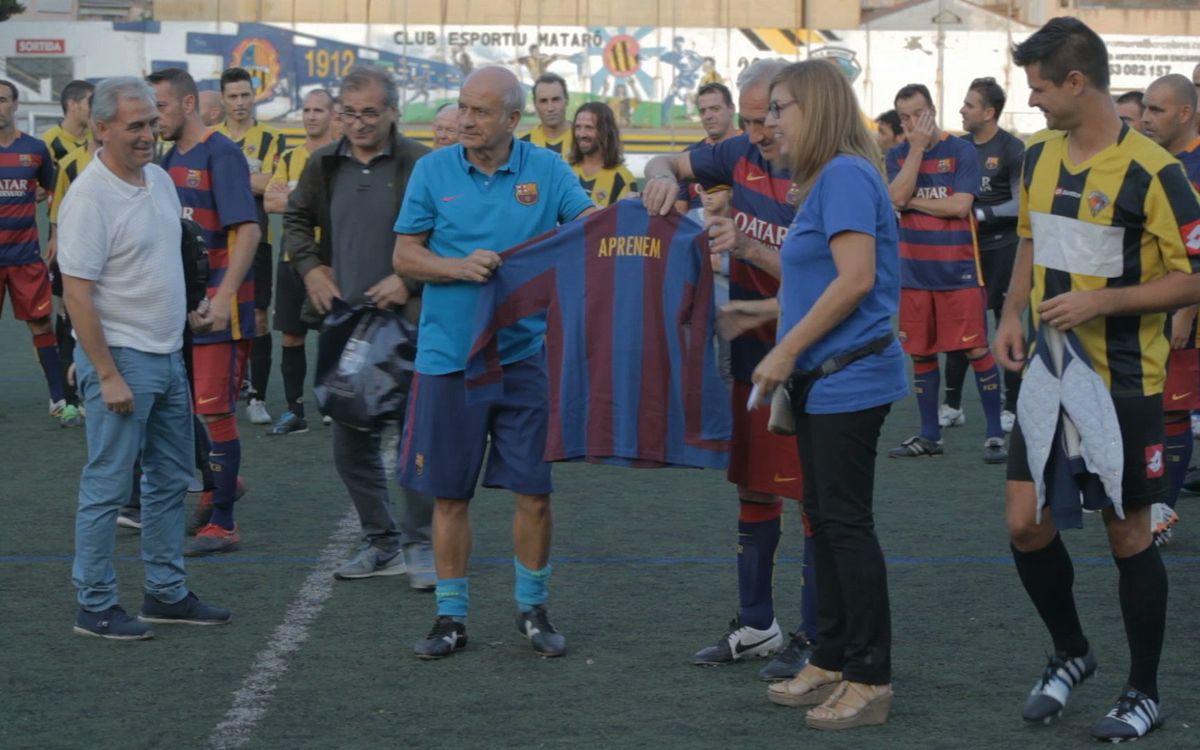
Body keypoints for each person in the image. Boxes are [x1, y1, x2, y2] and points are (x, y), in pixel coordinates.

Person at [996, 18, 1200, 742]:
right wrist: (1011, 311)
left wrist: (1102, 301)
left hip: (1124, 384)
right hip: (1048, 375)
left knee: (1127, 536)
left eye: (1042, 88)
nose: (1036, 101)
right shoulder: (1038, 155)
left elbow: (1192, 279)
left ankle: (1142, 692)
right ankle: (1072, 652)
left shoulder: (1155, 170)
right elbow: (1028, 235)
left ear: (1077, 83)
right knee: (1025, 524)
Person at [393, 66, 595, 659]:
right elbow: (405, 254)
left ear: (513, 120)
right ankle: (450, 617)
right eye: (461, 108)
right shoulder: (433, 169)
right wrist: (456, 267)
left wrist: (646, 204)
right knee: (450, 495)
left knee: (535, 491)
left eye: (479, 112)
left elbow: (588, 229)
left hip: (522, 358)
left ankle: (532, 608)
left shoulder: (547, 170)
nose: (464, 121)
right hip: (446, 360)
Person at [742, 57, 905, 732]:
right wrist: (766, 318)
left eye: (781, 107)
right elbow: (822, 283)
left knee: (842, 524)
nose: (772, 121)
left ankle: (869, 675)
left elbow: (856, 280)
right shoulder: (832, 178)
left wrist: (783, 348)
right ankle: (834, 656)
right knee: (827, 518)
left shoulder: (840, 175)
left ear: (817, 109)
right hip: (827, 377)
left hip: (848, 377)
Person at [641, 59, 818, 682]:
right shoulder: (740, 151)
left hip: (811, 359)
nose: (756, 132)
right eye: (747, 120)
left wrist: (744, 247)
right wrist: (658, 180)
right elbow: (669, 164)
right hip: (750, 352)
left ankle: (818, 637)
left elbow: (834, 283)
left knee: (815, 500)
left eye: (765, 117)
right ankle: (758, 622)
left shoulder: (830, 169)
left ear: (792, 106)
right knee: (752, 485)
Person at [58, 77, 231, 640]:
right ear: (101, 128)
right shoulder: (88, 197)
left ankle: (165, 592)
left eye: (151, 124)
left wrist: (191, 310)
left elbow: (159, 262)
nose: (146, 136)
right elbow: (76, 293)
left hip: (167, 353)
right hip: (123, 362)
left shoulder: (157, 178)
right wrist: (103, 372)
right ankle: (96, 605)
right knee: (108, 486)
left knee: (166, 482)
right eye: (133, 126)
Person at [284, 67, 436, 588]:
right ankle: (382, 542)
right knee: (349, 444)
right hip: (347, 328)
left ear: (394, 110)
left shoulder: (424, 164)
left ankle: (422, 545)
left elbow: (453, 234)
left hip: (412, 327)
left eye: (370, 112)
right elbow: (296, 221)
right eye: (348, 113)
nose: (358, 123)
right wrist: (311, 269)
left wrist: (409, 281)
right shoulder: (322, 163)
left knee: (417, 441)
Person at [149, 67, 261, 556]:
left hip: (220, 309)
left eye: (162, 107)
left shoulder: (222, 153)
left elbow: (249, 231)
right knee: (181, 408)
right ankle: (222, 484)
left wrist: (222, 297)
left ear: (189, 104)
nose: (155, 118)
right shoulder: (168, 157)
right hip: (182, 307)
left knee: (215, 412)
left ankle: (225, 522)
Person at [885, 83, 1005, 463]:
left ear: (932, 111)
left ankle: (995, 434)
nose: (911, 123)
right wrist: (917, 150)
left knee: (975, 348)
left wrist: (911, 201)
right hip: (915, 275)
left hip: (959, 272)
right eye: (904, 117)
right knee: (920, 355)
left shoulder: (961, 151)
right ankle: (929, 436)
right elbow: (894, 198)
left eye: (918, 114)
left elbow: (958, 206)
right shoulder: (899, 155)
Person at [940, 77, 1025, 434]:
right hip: (965, 249)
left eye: (969, 104)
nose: (962, 109)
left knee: (1009, 323)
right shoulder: (957, 148)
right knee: (962, 323)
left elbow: (1023, 203)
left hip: (1003, 247)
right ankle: (952, 404)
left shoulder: (1012, 148)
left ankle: (1012, 407)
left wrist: (982, 214)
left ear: (989, 112)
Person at [1140, 72, 1200, 546]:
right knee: (1166, 410)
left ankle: (1161, 510)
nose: (1145, 118)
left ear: (1185, 113)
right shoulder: (1150, 161)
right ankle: (1161, 507)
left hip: (1187, 311)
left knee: (1172, 411)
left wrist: (1186, 312)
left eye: (1156, 110)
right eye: (1144, 107)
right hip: (1159, 304)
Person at [262, 88, 335, 436]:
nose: (310, 116)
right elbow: (270, 205)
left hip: (328, 262)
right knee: (291, 337)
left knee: (330, 335)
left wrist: (292, 199)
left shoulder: (341, 157)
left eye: (318, 109)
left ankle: (330, 404)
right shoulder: (289, 156)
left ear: (333, 115)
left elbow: (342, 206)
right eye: (306, 109)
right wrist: (310, 200)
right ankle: (295, 411)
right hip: (291, 259)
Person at [0, 79, 69, 424]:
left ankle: (58, 398)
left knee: (41, 324)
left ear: (15, 105)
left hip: (25, 257)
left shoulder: (36, 150)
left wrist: (55, 230)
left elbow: (53, 188)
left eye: (2, 100)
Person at [216, 67, 283, 426]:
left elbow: (273, 185)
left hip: (258, 241)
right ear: (223, 99)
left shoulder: (272, 138)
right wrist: (250, 176)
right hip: (218, 241)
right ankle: (226, 385)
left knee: (258, 318)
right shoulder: (212, 139)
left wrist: (232, 177)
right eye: (233, 96)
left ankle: (257, 395)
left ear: (254, 96)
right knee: (217, 312)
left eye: (245, 95)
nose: (240, 103)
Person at [42, 79, 95, 429]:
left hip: (106, 250)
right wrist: (57, 237)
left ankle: (88, 384)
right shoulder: (60, 153)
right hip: (69, 243)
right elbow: (55, 206)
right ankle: (66, 393)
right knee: (67, 313)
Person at [675, 82, 741, 215]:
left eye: (715, 109)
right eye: (703, 111)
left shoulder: (751, 149)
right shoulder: (688, 156)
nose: (708, 116)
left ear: (731, 109)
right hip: (699, 231)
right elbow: (679, 214)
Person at [568, 101, 636, 207]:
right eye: (578, 127)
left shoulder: (622, 178)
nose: (581, 134)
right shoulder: (565, 171)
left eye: (589, 127)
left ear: (605, 131)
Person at [520, 73, 572, 158]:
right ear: (535, 104)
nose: (550, 108)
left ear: (567, 100)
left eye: (556, 99)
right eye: (543, 101)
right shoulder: (523, 144)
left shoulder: (582, 138)